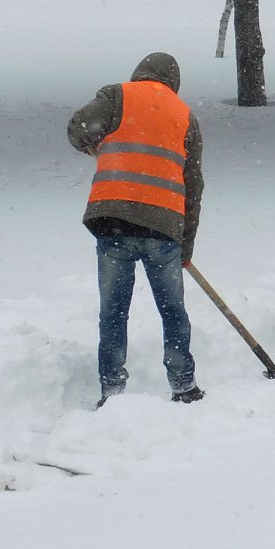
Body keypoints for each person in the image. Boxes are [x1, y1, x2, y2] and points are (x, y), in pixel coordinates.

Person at [68, 52, 205, 406]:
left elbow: (78, 127)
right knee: (173, 312)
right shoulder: (185, 117)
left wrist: (95, 147)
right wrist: (185, 247)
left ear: (139, 73)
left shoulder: (117, 95)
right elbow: (193, 187)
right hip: (163, 229)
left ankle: (112, 391)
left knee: (113, 312)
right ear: (173, 82)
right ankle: (183, 386)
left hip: (114, 221)